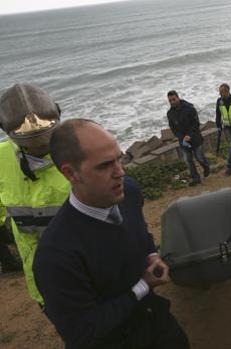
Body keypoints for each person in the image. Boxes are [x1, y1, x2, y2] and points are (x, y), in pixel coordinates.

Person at [33, 119, 189, 348]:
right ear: (70, 173)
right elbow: (83, 333)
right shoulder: (55, 256)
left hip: (159, 326)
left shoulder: (130, 192)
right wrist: (143, 287)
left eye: (119, 159)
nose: (120, 172)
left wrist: (151, 255)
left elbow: (140, 230)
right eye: (105, 166)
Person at [0, 83, 70, 303]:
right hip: (41, 282)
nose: (41, 148)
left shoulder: (80, 148)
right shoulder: (2, 160)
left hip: (89, 272)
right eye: (30, 145)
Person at [166, 90, 210, 186]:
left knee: (200, 158)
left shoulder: (189, 108)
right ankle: (195, 178)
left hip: (195, 138)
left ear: (178, 97)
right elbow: (173, 128)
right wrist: (182, 137)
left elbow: (196, 123)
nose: (172, 102)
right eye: (170, 100)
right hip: (183, 141)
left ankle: (206, 167)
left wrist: (189, 135)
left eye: (173, 99)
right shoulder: (170, 113)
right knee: (187, 160)